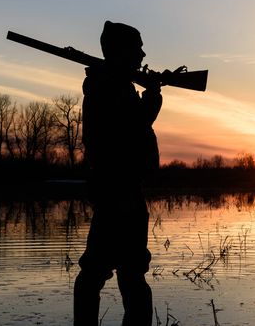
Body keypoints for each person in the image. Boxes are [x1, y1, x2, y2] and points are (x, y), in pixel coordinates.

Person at [73, 20, 163, 326]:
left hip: (120, 189)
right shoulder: (107, 87)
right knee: (120, 273)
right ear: (121, 51)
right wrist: (152, 97)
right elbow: (131, 129)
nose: (142, 54)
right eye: (136, 48)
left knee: (112, 272)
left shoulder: (114, 84)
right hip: (118, 191)